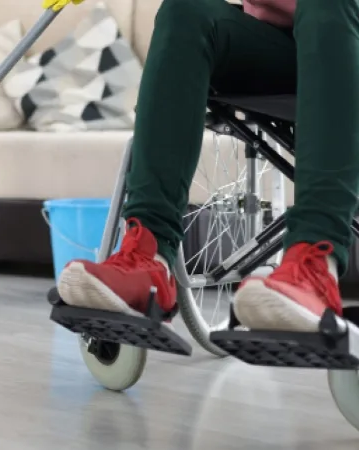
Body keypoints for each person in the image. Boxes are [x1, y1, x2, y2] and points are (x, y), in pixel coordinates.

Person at [57, 0, 359, 333]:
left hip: (344, 31)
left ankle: (314, 263)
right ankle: (148, 258)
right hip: (280, 42)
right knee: (185, 11)